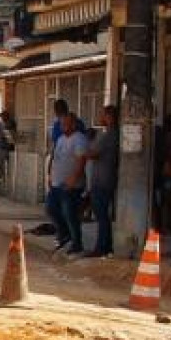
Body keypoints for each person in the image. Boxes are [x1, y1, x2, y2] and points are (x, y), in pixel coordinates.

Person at [47, 104, 89, 253]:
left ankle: (77, 243)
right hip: (57, 182)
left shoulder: (79, 139)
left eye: (66, 124)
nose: (63, 126)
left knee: (70, 214)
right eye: (62, 124)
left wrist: (74, 179)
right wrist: (50, 175)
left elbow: (81, 160)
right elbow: (55, 157)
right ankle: (64, 234)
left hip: (71, 185)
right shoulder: (60, 139)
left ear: (73, 124)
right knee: (51, 208)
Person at [84, 105, 121, 257]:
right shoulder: (108, 134)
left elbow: (91, 153)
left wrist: (88, 144)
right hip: (104, 178)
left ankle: (101, 247)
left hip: (103, 180)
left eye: (103, 115)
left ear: (109, 117)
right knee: (102, 215)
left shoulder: (109, 135)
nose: (101, 118)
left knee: (101, 215)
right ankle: (106, 245)